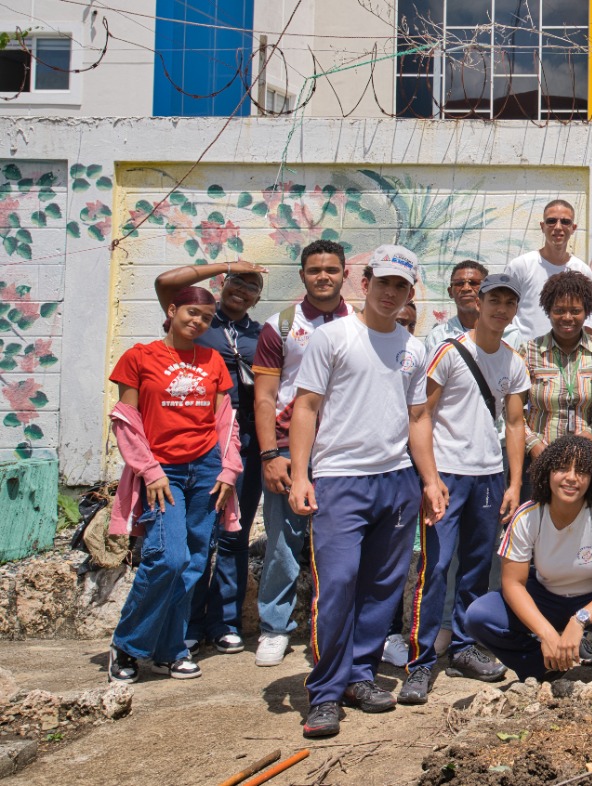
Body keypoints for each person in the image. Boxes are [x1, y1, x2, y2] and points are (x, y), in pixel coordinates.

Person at [290, 247, 445, 738]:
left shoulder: (413, 348)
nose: (390, 294)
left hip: (396, 480)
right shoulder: (333, 337)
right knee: (337, 583)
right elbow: (305, 407)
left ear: (410, 292)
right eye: (383, 283)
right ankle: (325, 693)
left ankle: (360, 675)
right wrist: (300, 475)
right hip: (340, 479)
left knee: (382, 586)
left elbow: (418, 417)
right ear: (365, 283)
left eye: (401, 286)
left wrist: (429, 479)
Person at [398, 273, 531, 705]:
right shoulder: (450, 352)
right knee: (435, 568)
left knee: (475, 567)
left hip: (489, 476)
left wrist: (514, 482)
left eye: (509, 303)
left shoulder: (513, 361)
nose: (500, 309)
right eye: (494, 300)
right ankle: (419, 663)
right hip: (447, 475)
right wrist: (430, 478)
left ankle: (463, 647)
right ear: (479, 302)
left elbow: (515, 424)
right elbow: (421, 414)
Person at [106, 287, 242, 683]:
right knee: (168, 557)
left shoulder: (213, 360)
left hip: (207, 470)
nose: (198, 322)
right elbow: (126, 420)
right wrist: (149, 470)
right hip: (162, 472)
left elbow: (225, 423)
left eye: (206, 317)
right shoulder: (138, 357)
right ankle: (127, 643)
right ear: (172, 309)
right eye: (192, 313)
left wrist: (229, 469)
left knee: (196, 561)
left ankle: (171, 649)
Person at [464, 436, 592, 683]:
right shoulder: (527, 515)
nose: (572, 478)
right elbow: (513, 583)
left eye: (582, 471)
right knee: (479, 616)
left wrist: (580, 619)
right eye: (562, 468)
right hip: (546, 595)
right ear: (547, 472)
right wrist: (546, 633)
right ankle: (544, 667)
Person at [152, 262, 265, 657]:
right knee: (196, 535)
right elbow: (165, 281)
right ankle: (188, 622)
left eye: (252, 286)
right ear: (223, 283)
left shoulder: (259, 333)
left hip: (245, 442)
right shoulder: (198, 319)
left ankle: (225, 622)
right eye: (237, 281)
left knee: (234, 534)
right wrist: (228, 263)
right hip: (199, 442)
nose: (242, 290)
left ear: (258, 298)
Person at [251, 239, 351, 667]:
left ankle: (335, 627)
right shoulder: (282, 326)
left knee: (340, 543)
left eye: (331, 269)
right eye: (314, 270)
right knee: (283, 542)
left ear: (345, 274)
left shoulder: (361, 322)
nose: (323, 277)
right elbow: (264, 396)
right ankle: (275, 627)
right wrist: (269, 455)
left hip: (343, 450)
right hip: (290, 450)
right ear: (303, 275)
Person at [524, 271, 592, 468]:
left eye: (575, 311)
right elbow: (512, 411)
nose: (567, 317)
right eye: (559, 310)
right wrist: (533, 445)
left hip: (587, 459)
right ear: (548, 310)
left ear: (586, 312)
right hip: (540, 459)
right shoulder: (529, 351)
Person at [506, 199, 592, 340]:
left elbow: (589, 319)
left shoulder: (583, 271)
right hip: (524, 350)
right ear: (542, 226)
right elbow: (505, 311)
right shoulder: (520, 266)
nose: (558, 227)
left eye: (565, 222)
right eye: (551, 221)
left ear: (573, 228)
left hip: (568, 352)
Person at [426, 260, 523, 356]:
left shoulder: (512, 335)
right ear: (450, 292)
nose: (466, 288)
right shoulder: (438, 336)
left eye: (474, 283)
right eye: (459, 283)